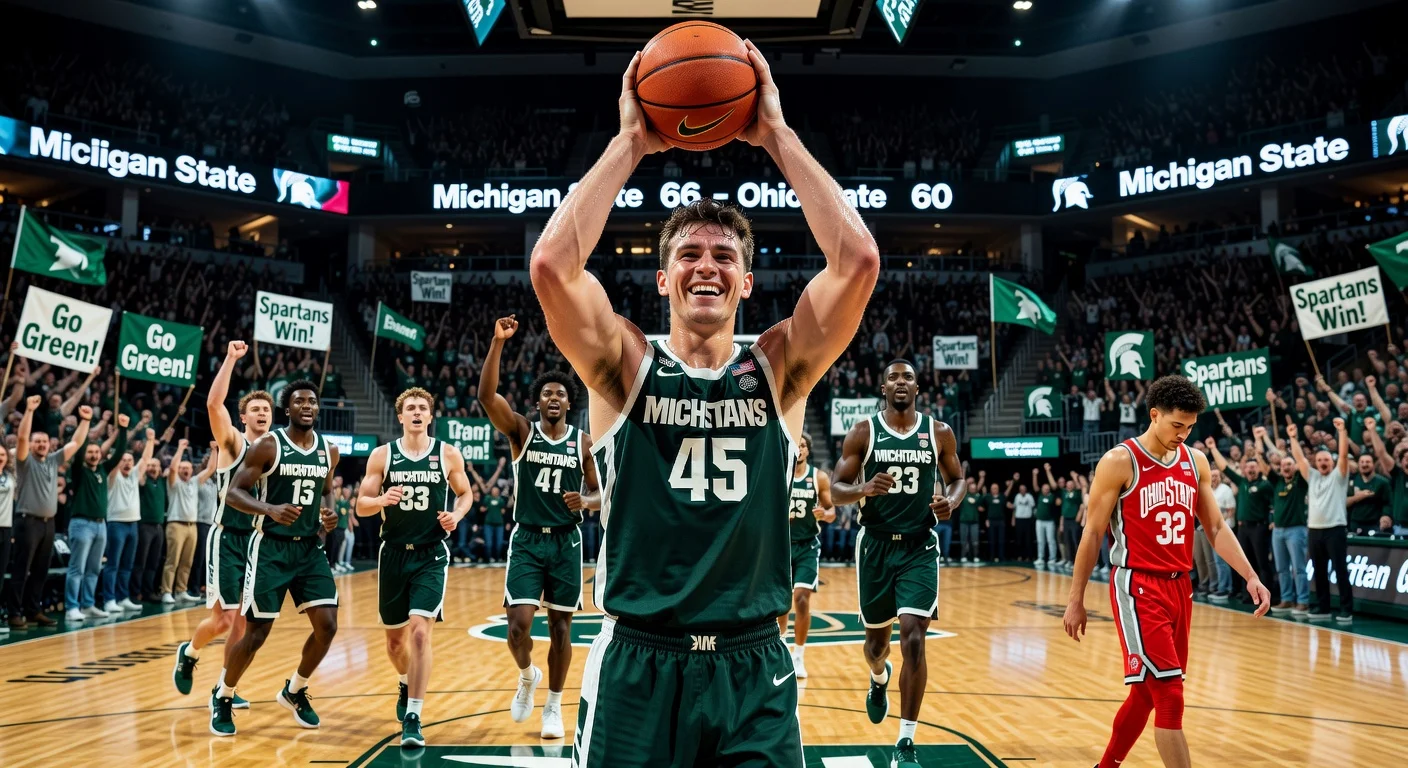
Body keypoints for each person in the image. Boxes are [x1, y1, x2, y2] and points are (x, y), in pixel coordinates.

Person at [529, 40, 878, 768]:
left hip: (754, 665)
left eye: (726, 256)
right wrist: (630, 143)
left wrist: (775, 133)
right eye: (689, 254)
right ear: (662, 280)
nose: (707, 266)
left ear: (747, 284)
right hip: (638, 663)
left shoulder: (779, 365)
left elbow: (858, 263)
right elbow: (553, 268)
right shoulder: (622, 365)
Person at [1064, 375, 1270, 768]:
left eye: (1190, 427)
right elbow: (1091, 534)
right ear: (1154, 415)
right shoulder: (1119, 461)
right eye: (1177, 425)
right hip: (1137, 585)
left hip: (1181, 588)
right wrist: (1076, 600)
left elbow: (1215, 527)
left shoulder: (1196, 461)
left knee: (1146, 692)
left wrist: (1250, 576)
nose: (1184, 433)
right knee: (1170, 697)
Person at [831, 360, 963, 763]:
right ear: (883, 388)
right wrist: (865, 488)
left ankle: (905, 742)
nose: (900, 382)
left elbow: (957, 478)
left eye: (907, 377)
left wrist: (951, 502)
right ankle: (877, 677)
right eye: (893, 377)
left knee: (915, 638)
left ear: (918, 388)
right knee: (876, 646)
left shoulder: (938, 432)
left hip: (919, 546)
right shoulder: (863, 431)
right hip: (875, 547)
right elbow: (836, 491)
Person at [478, 315, 601, 740]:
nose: (553, 397)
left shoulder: (583, 442)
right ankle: (526, 675)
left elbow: (603, 494)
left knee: (562, 629)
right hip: (528, 539)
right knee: (518, 626)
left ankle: (552, 704)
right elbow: (486, 396)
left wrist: (585, 501)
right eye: (547, 392)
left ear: (570, 404)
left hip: (567, 542)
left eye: (561, 394)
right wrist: (497, 343)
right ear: (537, 403)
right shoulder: (522, 432)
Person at [212, 381, 341, 736]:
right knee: (256, 634)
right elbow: (233, 492)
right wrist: (268, 508)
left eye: (312, 401)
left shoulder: (329, 450)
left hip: (309, 551)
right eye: (299, 401)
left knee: (328, 626)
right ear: (288, 409)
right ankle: (224, 694)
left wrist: (330, 515)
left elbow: (327, 491)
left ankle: (295, 690)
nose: (307, 406)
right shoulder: (269, 445)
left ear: (318, 408)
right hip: (270, 548)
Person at [356, 387, 476, 749]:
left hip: (430, 553)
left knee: (421, 632)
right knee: (395, 644)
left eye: (424, 407)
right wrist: (380, 499)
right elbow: (361, 505)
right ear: (401, 416)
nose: (418, 412)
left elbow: (466, 493)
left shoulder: (447, 453)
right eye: (411, 407)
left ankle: (414, 714)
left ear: (430, 415)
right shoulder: (382, 455)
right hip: (392, 553)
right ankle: (406, 683)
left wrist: (455, 515)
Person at [172, 341, 273, 713]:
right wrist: (231, 359)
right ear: (244, 417)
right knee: (224, 619)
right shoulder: (232, 444)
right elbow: (214, 405)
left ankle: (224, 688)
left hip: (258, 543)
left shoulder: (277, 451)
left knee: (244, 624)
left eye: (267, 409)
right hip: (227, 537)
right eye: (255, 409)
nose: (262, 413)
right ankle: (190, 652)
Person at [7, 397, 92, 629]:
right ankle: (14, 613)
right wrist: (30, 410)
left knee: (40, 571)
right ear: (32, 445)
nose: (42, 444)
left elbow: (75, 443)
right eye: (38, 441)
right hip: (27, 522)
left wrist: (85, 421)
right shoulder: (25, 461)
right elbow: (23, 437)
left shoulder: (53, 461)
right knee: (21, 570)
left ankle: (33, 610)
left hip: (48, 524)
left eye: (44, 441)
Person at [63, 413, 129, 621]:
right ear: (84, 455)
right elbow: (80, 446)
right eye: (89, 452)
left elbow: (118, 455)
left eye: (95, 452)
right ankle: (72, 606)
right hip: (81, 524)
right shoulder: (79, 471)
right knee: (77, 569)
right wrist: (87, 422)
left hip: (101, 525)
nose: (92, 455)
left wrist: (123, 429)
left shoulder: (102, 468)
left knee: (93, 569)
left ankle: (88, 604)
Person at [1287, 421, 1354, 623]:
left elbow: (1343, 455)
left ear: (1331, 462)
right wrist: (1292, 437)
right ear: (1316, 462)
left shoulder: (1339, 476)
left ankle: (1346, 609)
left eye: (1326, 459)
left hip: (1335, 529)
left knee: (1341, 570)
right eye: (1320, 460)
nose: (1323, 462)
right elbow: (1299, 458)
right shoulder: (1313, 476)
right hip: (1314, 530)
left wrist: (1342, 431)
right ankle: (1323, 606)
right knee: (1319, 571)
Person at [780, 432, 834, 680]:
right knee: (782, 603)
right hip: (780, 545)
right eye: (796, 445)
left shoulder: (818, 477)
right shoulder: (780, 472)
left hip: (807, 546)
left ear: (808, 451)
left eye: (803, 446)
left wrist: (825, 514)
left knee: (801, 598)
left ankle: (799, 655)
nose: (799, 449)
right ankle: (780, 649)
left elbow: (831, 510)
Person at [1204, 439, 1275, 605]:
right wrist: (1213, 448)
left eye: (1254, 466)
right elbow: (1224, 468)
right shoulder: (1242, 482)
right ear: (1244, 469)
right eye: (1248, 466)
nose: (1251, 468)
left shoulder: (1265, 485)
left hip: (1259, 527)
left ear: (1258, 468)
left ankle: (1268, 597)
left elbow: (1274, 505)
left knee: (1262, 563)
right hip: (1243, 528)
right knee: (1245, 563)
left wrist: (1272, 520)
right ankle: (1247, 594)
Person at [1256, 428, 1310, 616]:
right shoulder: (1277, 481)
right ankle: (1287, 598)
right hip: (1278, 531)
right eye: (1284, 465)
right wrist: (1258, 441)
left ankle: (1302, 600)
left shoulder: (1301, 482)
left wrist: (1293, 438)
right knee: (1281, 568)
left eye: (1289, 464)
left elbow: (1301, 461)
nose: (1286, 467)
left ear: (1295, 467)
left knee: (1299, 568)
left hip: (1297, 529)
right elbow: (1262, 464)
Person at [101, 433, 155, 613]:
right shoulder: (113, 476)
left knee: (127, 565)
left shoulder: (134, 475)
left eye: (130, 460)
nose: (127, 463)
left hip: (133, 525)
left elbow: (146, 458)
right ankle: (109, 599)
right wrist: (120, 449)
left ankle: (123, 597)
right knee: (113, 565)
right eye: (123, 460)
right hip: (116, 523)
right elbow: (116, 461)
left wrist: (150, 440)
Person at [162, 440, 216, 604]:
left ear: (192, 470)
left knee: (187, 562)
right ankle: (166, 591)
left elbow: (211, 469)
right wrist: (180, 449)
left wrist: (214, 450)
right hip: (176, 524)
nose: (185, 470)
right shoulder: (174, 483)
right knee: (172, 561)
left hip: (192, 526)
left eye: (187, 468)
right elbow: (172, 468)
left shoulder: (194, 482)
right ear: (178, 471)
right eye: (182, 468)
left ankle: (181, 590)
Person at [133, 452, 169, 603]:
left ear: (160, 468)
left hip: (159, 527)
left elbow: (171, 469)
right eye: (150, 465)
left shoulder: (161, 481)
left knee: (154, 562)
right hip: (145, 526)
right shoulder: (143, 480)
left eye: (156, 465)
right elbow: (141, 470)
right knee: (141, 561)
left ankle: (148, 591)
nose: (153, 468)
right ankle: (135, 593)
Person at [190, 445, 220, 599]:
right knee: (199, 558)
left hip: (212, 524)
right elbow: (209, 468)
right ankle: (194, 587)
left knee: (209, 559)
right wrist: (213, 452)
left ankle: (205, 585)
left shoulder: (216, 481)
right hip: (200, 522)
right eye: (207, 460)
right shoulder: (198, 479)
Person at [1034, 466, 1060, 570]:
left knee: (1051, 540)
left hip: (1049, 522)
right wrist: (1034, 475)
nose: (1046, 490)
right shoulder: (1039, 495)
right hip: (1039, 521)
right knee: (1040, 541)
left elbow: (1056, 490)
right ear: (1042, 489)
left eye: (1047, 489)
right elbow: (1035, 486)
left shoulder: (1052, 496)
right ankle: (1040, 558)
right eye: (1044, 488)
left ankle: (1052, 558)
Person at [0, 446, 13, 636]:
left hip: (6, 528)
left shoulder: (10, 476)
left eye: (2, 455)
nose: (0, 457)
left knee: (0, 575)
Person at [1011, 476, 1036, 562]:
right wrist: (1013, 519)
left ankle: (1028, 556)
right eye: (1021, 489)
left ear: (1026, 489)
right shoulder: (1017, 496)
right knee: (1019, 539)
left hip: (1027, 520)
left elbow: (1033, 507)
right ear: (1019, 490)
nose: (1022, 490)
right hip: (1019, 520)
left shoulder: (1029, 496)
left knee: (1028, 540)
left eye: (1024, 489)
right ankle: (1019, 556)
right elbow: (1014, 508)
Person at [957, 477, 982, 564]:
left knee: (975, 541)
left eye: (974, 488)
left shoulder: (978, 496)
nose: (973, 489)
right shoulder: (964, 495)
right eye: (971, 488)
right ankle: (963, 556)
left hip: (974, 522)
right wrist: (967, 482)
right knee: (964, 540)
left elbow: (981, 506)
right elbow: (961, 487)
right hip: (964, 521)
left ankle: (975, 556)